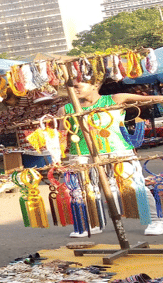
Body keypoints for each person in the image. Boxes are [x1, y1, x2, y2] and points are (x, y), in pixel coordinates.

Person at [59, 81, 163, 237]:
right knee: (87, 191)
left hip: (118, 150)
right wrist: (58, 157)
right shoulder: (65, 109)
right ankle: (94, 222)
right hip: (82, 155)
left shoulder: (115, 99)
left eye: (77, 86)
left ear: (94, 84)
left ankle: (156, 220)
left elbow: (154, 99)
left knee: (135, 186)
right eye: (70, 87)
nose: (73, 90)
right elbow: (61, 136)